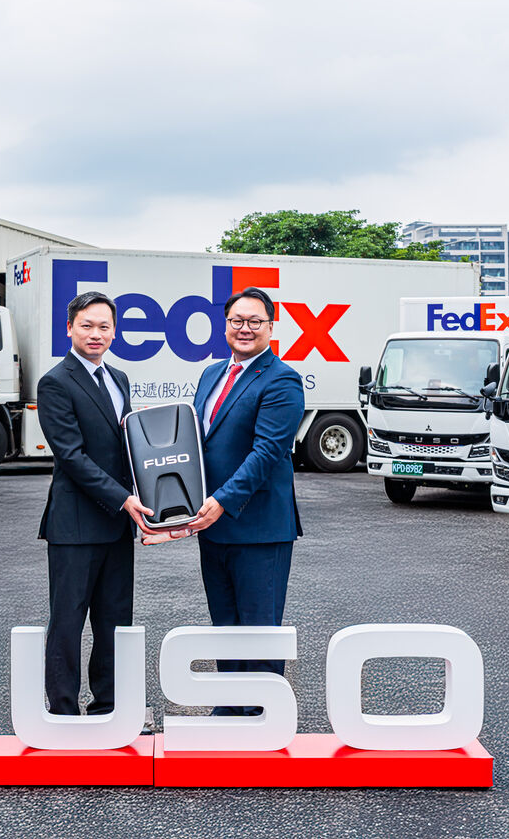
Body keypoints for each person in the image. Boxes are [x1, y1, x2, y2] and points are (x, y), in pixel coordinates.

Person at [187, 286, 305, 715]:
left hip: (258, 528)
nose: (245, 328)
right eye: (237, 320)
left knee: (258, 630)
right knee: (225, 624)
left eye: (255, 321)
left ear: (271, 327)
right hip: (213, 525)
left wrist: (221, 500)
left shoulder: (282, 379)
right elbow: (199, 444)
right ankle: (229, 706)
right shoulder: (211, 374)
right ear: (225, 325)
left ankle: (262, 714)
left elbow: (267, 452)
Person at [36, 291, 153, 715]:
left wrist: (154, 497)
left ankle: (109, 706)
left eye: (104, 326)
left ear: (115, 331)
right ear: (69, 328)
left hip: (118, 525)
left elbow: (127, 447)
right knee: (67, 623)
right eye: (86, 325)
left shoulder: (119, 378)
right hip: (76, 526)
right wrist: (124, 499)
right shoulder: (55, 382)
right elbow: (71, 456)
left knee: (115, 622)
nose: (95, 334)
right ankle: (63, 710)